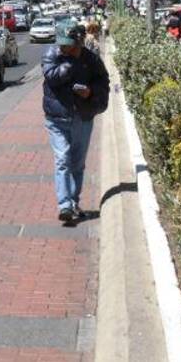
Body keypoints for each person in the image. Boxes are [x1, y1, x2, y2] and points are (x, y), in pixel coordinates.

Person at [41, 23, 111, 224]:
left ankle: (73, 201)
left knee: (78, 164)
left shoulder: (91, 59)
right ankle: (64, 205)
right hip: (57, 119)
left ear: (79, 42)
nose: (63, 47)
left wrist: (90, 92)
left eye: (68, 44)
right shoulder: (52, 54)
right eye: (61, 44)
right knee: (63, 159)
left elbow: (103, 81)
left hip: (82, 117)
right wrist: (69, 64)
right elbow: (51, 76)